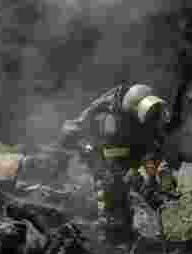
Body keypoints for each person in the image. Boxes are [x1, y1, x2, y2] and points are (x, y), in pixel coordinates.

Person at [60, 83, 170, 242]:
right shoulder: (107, 119)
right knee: (112, 186)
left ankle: (126, 225)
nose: (152, 116)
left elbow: (153, 147)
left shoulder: (148, 117)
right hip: (100, 152)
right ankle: (109, 228)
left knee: (142, 183)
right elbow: (110, 158)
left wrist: (152, 177)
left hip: (126, 151)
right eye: (148, 113)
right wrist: (131, 175)